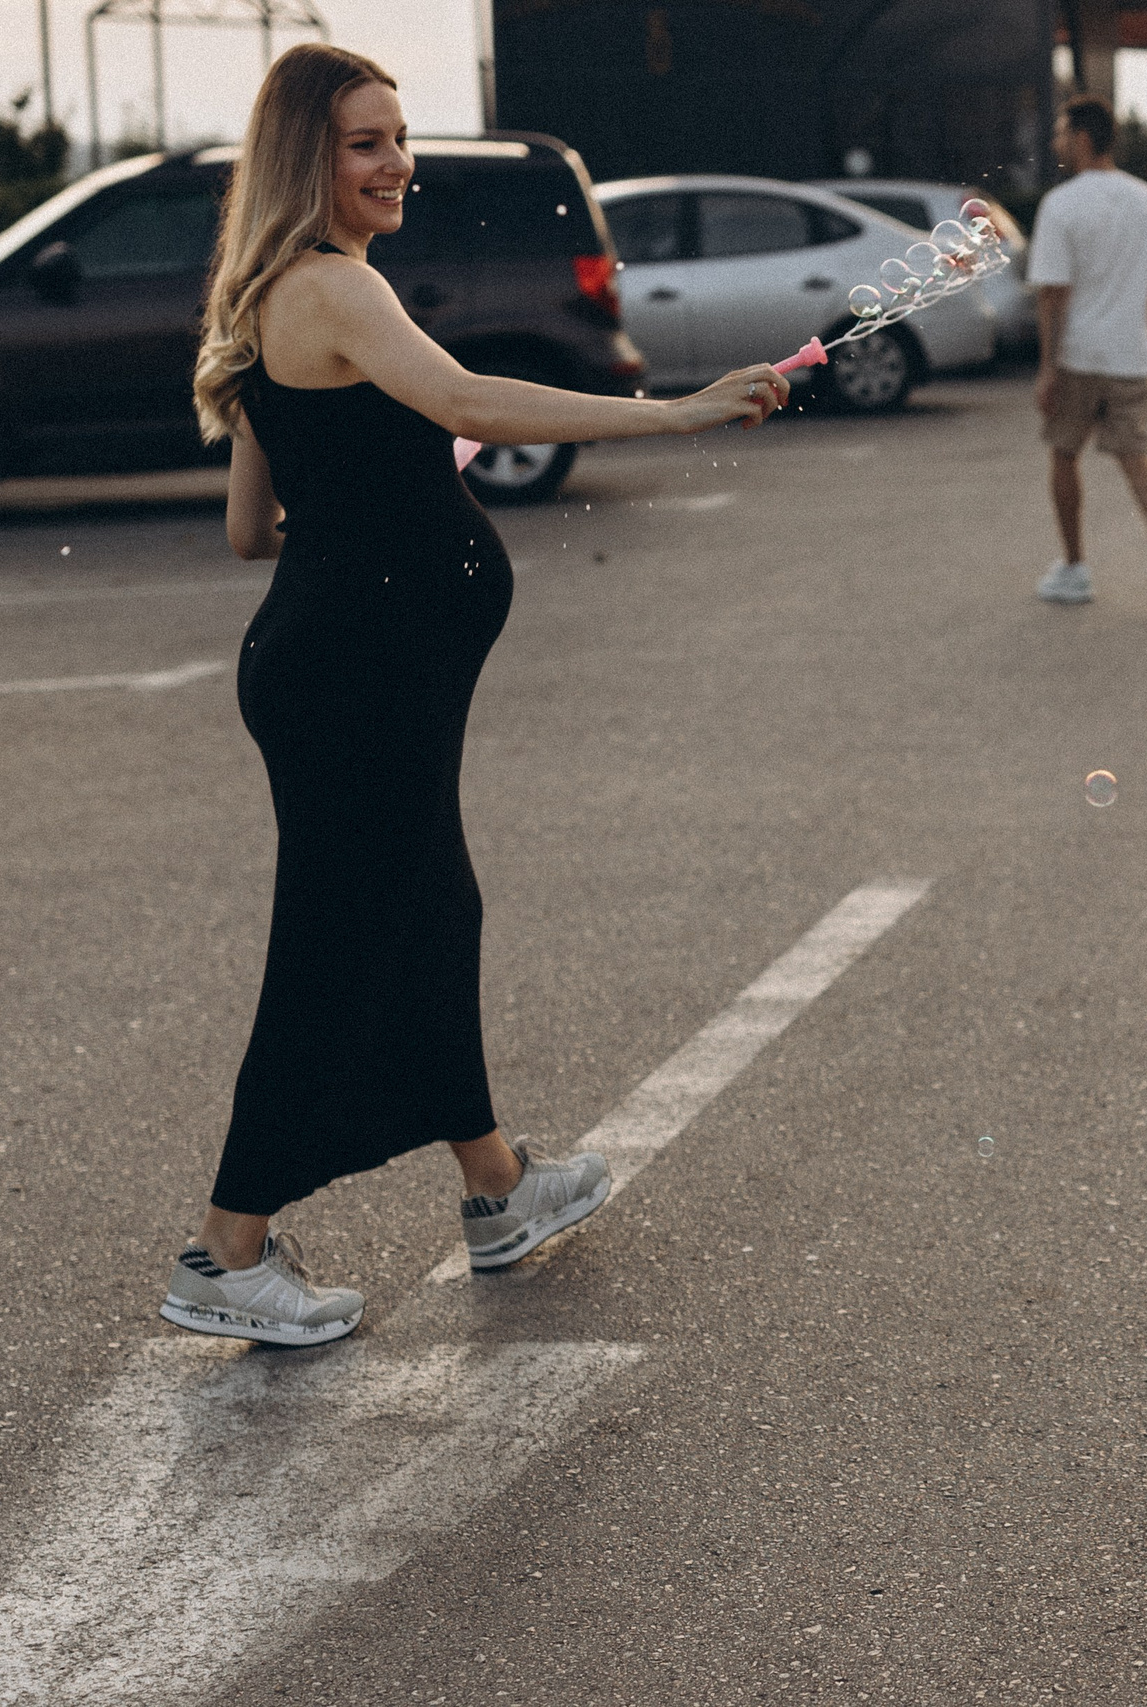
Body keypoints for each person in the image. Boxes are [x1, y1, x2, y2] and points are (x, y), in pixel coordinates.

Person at [163, 43, 787, 1347]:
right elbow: (465, 397)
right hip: (356, 676)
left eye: (399, 137)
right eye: (365, 142)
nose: (397, 163)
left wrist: (382, 497)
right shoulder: (332, 286)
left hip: (342, 661)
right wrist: (676, 414)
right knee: (340, 942)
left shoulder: (281, 294)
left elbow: (249, 528)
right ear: (306, 158)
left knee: (430, 910)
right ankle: (225, 1250)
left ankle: (498, 1189)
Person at [1027, 95, 1147, 610]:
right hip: (1130, 353)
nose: (1056, 143)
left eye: (1061, 133)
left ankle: (1075, 569)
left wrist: (1047, 367)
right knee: (1136, 456)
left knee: (1064, 454)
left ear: (1082, 139)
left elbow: (1053, 294)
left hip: (1077, 355)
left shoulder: (1061, 204)